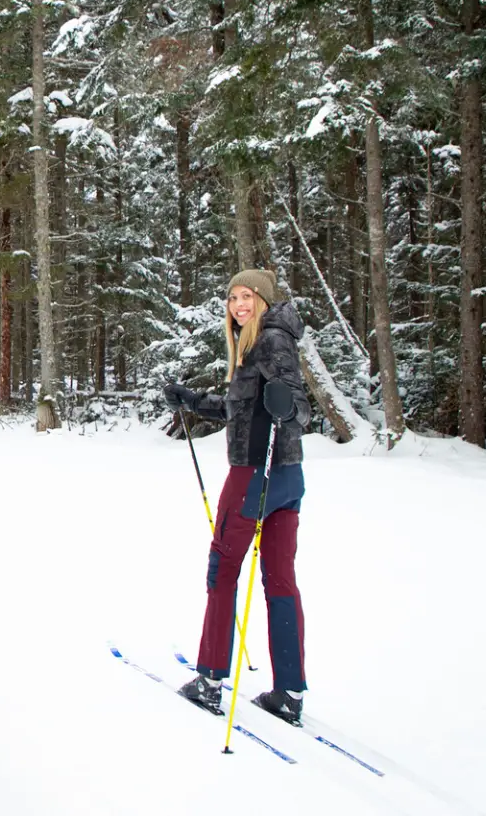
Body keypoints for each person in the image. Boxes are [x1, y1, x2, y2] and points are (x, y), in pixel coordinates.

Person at [162, 268, 313, 727]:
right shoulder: (260, 342)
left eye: (247, 296)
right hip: (288, 477)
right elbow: (242, 409)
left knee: (222, 572)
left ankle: (209, 680)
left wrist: (290, 408)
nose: (238, 304)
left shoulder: (269, 340)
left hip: (255, 475)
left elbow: (299, 405)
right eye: (232, 297)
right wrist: (191, 400)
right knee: (280, 579)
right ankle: (288, 692)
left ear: (264, 301)